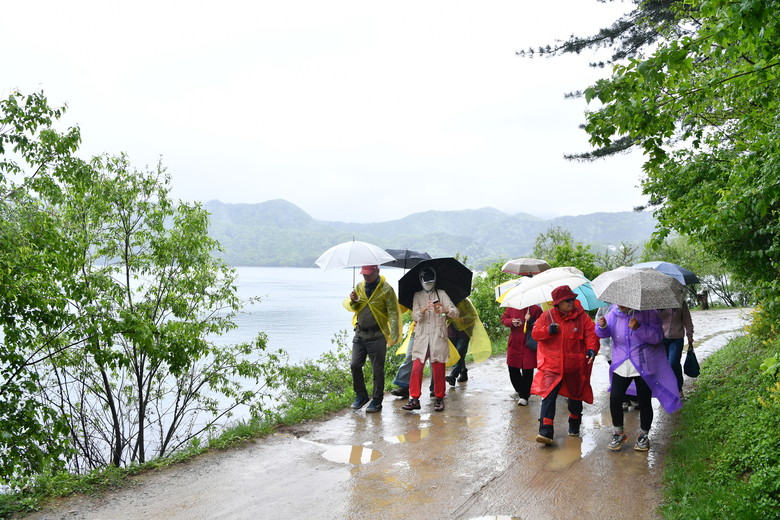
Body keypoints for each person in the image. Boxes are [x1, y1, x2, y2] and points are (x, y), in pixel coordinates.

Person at [596, 304, 682, 452]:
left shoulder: (649, 312)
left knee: (644, 400)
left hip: (643, 363)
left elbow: (657, 337)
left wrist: (639, 328)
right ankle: (618, 433)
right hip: (621, 363)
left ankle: (644, 435)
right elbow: (604, 334)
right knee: (615, 398)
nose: (620, 304)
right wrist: (602, 327)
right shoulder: (613, 313)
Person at [531, 285, 599, 445]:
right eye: (567, 300)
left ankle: (574, 425)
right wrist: (547, 331)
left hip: (575, 365)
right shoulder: (547, 316)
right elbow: (535, 333)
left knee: (575, 396)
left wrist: (592, 349)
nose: (571, 302)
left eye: (572, 299)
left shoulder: (582, 317)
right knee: (548, 395)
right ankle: (545, 432)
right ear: (557, 303)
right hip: (552, 365)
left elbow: (591, 334)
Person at [345, 265, 402, 413]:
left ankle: (377, 400)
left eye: (369, 274)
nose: (366, 277)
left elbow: (393, 313)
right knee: (355, 365)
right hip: (360, 333)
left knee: (377, 369)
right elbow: (355, 307)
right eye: (364, 274)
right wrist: (353, 300)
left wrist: (394, 334)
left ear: (377, 271)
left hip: (377, 335)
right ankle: (361, 395)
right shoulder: (359, 286)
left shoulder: (386, 290)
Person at [402, 267, 459, 412]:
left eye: (431, 281)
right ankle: (414, 398)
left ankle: (439, 398)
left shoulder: (442, 294)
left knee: (438, 368)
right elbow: (414, 316)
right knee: (416, 367)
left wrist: (445, 310)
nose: (429, 284)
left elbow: (456, 313)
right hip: (422, 338)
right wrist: (423, 310)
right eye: (426, 282)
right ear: (421, 280)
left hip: (438, 337)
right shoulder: (417, 296)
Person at [501, 304, 542, 406]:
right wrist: (512, 322)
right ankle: (520, 390)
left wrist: (531, 320)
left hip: (529, 343)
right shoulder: (512, 307)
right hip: (514, 344)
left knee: (527, 370)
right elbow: (504, 318)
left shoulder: (536, 309)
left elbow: (541, 325)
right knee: (512, 369)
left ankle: (524, 396)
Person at [658, 302, 694, 393]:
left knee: (673, 363)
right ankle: (668, 388)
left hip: (677, 339)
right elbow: (651, 320)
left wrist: (689, 335)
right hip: (661, 339)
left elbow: (687, 319)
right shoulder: (657, 301)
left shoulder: (680, 302)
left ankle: (678, 388)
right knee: (664, 365)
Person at [445, 298, 479, 386]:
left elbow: (474, 316)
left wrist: (462, 319)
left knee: (460, 353)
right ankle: (463, 372)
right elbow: (442, 315)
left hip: (464, 332)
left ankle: (453, 376)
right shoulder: (447, 302)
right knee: (456, 354)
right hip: (451, 332)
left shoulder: (466, 302)